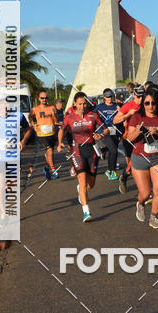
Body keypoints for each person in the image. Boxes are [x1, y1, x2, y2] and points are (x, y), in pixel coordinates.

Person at [126, 88, 158, 228]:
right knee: (145, 193)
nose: (150, 106)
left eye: (153, 103)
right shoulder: (136, 117)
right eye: (147, 103)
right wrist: (139, 130)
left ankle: (153, 217)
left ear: (157, 103)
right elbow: (129, 138)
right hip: (139, 158)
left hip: (157, 158)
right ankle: (140, 203)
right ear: (143, 104)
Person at [57, 92, 106, 222]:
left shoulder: (93, 116)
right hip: (77, 151)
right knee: (82, 180)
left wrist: (100, 135)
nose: (82, 106)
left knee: (91, 184)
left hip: (92, 150)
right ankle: (86, 212)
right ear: (74, 104)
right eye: (79, 104)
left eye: (84, 103)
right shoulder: (69, 117)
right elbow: (62, 129)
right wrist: (60, 142)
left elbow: (104, 129)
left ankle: (80, 189)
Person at [112, 85, 145, 193]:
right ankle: (124, 176)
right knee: (133, 165)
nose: (140, 99)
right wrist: (128, 115)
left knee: (145, 164)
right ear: (134, 95)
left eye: (142, 96)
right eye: (138, 96)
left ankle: (145, 191)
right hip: (129, 138)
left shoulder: (147, 105)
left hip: (143, 138)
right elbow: (115, 120)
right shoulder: (128, 105)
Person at [22, 91, 60, 179]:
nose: (44, 100)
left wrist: (54, 114)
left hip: (52, 133)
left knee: (50, 154)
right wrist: (33, 124)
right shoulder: (35, 109)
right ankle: (54, 171)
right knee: (49, 151)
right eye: (42, 98)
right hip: (41, 135)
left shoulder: (52, 107)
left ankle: (46, 168)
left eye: (46, 98)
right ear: (39, 99)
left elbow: (57, 121)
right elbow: (30, 116)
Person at [95, 88, 121, 181]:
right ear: (104, 97)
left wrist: (120, 111)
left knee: (112, 151)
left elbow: (123, 117)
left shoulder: (116, 106)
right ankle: (112, 171)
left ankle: (109, 170)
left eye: (111, 96)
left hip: (116, 131)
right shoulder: (100, 107)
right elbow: (93, 117)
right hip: (105, 131)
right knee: (114, 151)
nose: (109, 98)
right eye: (107, 97)